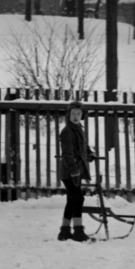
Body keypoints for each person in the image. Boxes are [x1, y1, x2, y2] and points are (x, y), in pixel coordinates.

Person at [57, 100, 93, 242]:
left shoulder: (78, 129)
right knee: (78, 199)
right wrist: (74, 172)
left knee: (72, 200)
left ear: (82, 115)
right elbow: (67, 154)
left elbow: (83, 146)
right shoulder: (67, 131)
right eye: (73, 114)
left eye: (78, 114)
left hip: (76, 170)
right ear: (68, 115)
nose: (76, 116)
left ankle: (65, 231)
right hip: (69, 172)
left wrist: (90, 153)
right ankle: (78, 232)